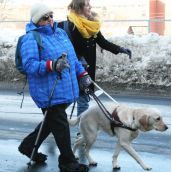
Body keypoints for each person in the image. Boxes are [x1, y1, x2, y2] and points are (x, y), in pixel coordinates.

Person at [18, 3, 91, 172]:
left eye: (51, 15)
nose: (50, 20)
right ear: (37, 21)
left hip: (64, 88)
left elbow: (72, 59)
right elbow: (29, 65)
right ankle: (67, 162)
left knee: (52, 122)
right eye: (45, 17)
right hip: (47, 92)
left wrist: (82, 75)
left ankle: (28, 146)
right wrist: (51, 65)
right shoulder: (32, 38)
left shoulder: (60, 33)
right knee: (60, 125)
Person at [58, 0, 132, 127]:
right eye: (87, 5)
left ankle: (81, 132)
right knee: (67, 100)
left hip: (87, 69)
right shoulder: (66, 26)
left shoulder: (92, 26)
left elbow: (103, 42)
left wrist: (120, 49)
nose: (90, 7)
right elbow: (57, 47)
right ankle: (54, 122)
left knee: (83, 100)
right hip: (72, 69)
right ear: (79, 7)